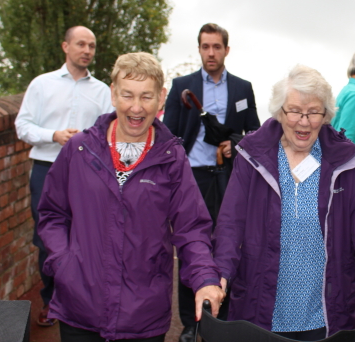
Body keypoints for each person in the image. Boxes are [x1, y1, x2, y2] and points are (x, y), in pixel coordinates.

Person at [37, 52, 225, 341]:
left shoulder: (172, 158)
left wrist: (204, 278)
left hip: (142, 314)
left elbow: (191, 229)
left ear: (162, 98)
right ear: (113, 94)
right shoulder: (78, 149)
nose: (136, 108)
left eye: (146, 97)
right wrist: (64, 263)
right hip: (80, 305)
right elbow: (52, 214)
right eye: (127, 95)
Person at [213, 65, 355, 341]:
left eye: (314, 112)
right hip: (258, 308)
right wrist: (219, 275)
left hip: (326, 313)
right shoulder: (252, 156)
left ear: (326, 115)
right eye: (295, 111)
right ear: (279, 111)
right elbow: (230, 223)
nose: (304, 121)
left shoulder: (348, 162)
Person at [163, 23, 260, 342]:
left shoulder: (243, 88)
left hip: (232, 177)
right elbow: (170, 136)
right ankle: (191, 323)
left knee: (229, 244)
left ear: (226, 50)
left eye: (216, 47)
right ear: (199, 49)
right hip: (193, 177)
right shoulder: (182, 86)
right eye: (205, 47)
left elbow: (255, 134)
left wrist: (237, 143)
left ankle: (225, 316)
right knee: (192, 245)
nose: (211, 53)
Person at [14, 25, 114, 328]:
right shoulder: (41, 85)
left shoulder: (101, 91)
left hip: (87, 174)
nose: (87, 51)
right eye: (81, 44)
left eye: (92, 46)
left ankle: (81, 302)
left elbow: (111, 133)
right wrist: (53, 135)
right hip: (46, 169)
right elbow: (23, 126)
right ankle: (50, 300)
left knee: (87, 237)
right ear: (65, 47)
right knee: (48, 238)